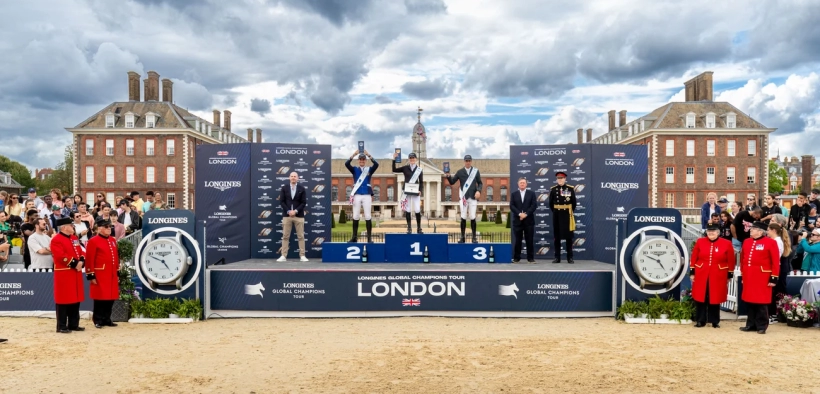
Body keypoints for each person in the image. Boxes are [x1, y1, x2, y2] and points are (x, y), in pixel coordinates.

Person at [690, 223, 735, 328]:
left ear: (718, 233)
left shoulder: (726, 243)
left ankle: (714, 320)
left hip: (718, 274)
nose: (710, 233)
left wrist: (729, 274)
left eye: (713, 231)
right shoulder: (700, 241)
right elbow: (694, 257)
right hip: (701, 273)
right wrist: (692, 272)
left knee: (715, 297)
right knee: (700, 297)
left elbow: (731, 260)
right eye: (709, 231)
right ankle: (700, 320)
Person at [739, 221, 780, 334]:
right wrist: (743, 274)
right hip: (749, 275)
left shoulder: (770, 243)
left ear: (760, 231)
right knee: (750, 301)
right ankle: (750, 324)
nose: (751, 230)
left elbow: (775, 262)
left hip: (763, 276)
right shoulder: (746, 242)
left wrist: (773, 277)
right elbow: (743, 259)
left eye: (753, 229)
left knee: (761, 302)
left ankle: (762, 325)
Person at [50, 217, 85, 333]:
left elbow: (80, 251)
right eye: (71, 225)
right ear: (64, 227)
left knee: (75, 298)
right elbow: (60, 256)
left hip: (75, 272)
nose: (73, 227)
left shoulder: (74, 238)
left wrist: (81, 261)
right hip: (64, 272)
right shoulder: (56, 240)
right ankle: (61, 326)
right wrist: (75, 263)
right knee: (63, 300)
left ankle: (73, 324)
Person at [85, 217, 120, 329]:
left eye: (110, 226)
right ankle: (98, 320)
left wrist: (117, 271)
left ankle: (107, 319)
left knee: (111, 297)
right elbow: (89, 259)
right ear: (99, 228)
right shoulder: (93, 241)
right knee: (100, 298)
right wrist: (91, 274)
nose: (109, 228)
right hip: (100, 273)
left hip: (111, 273)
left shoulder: (112, 240)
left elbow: (116, 257)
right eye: (106, 227)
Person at [446, 155, 483, 243]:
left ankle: (474, 237)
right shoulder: (460, 172)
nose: (468, 162)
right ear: (464, 161)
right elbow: (452, 182)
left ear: (471, 161)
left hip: (473, 197)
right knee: (463, 217)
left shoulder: (476, 171)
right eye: (466, 160)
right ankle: (462, 237)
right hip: (464, 198)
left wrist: (478, 191)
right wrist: (448, 176)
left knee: (472, 217)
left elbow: (480, 183)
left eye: (469, 160)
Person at [344, 150, 379, 243]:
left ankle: (369, 238)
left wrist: (369, 155)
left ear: (366, 161)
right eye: (360, 160)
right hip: (357, 195)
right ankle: (354, 238)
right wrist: (354, 154)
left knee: (368, 216)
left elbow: (376, 164)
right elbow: (346, 164)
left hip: (367, 194)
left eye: (363, 160)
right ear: (358, 160)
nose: (362, 161)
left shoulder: (369, 169)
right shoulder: (355, 169)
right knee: (355, 216)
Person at [277, 172, 308, 262]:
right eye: (292, 176)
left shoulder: (302, 188)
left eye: (295, 176)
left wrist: (295, 211)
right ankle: (283, 255)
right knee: (285, 236)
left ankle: (302, 255)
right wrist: (288, 211)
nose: (293, 178)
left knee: (301, 236)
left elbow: (303, 202)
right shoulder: (284, 188)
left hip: (299, 216)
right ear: (289, 178)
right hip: (287, 216)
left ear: (298, 178)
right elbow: (282, 202)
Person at [549, 171, 577, 264]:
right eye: (558, 178)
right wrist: (557, 211)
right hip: (557, 215)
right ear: (556, 179)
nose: (560, 180)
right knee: (557, 238)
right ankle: (557, 258)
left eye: (561, 178)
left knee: (568, 238)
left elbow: (574, 203)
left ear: (565, 179)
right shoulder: (553, 189)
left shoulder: (569, 188)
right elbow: (550, 204)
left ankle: (570, 257)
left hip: (567, 215)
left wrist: (567, 211)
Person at [393, 152, 424, 234]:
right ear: (409, 159)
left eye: (413, 158)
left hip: (415, 191)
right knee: (408, 209)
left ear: (416, 159)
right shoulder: (405, 168)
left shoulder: (419, 170)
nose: (412, 159)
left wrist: (420, 190)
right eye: (410, 158)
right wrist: (394, 159)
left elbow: (421, 182)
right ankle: (409, 228)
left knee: (417, 209)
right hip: (406, 191)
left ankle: (419, 228)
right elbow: (394, 170)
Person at [767, 222, 792, 321]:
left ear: (773, 230)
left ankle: (773, 314)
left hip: (775, 268)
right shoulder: (776, 240)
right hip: (775, 267)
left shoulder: (777, 241)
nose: (767, 232)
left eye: (768, 230)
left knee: (774, 292)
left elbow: (775, 257)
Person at [510, 177, 536, 263]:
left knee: (529, 240)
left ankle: (530, 258)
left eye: (523, 183)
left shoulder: (531, 194)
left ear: (526, 184)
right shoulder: (514, 194)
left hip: (529, 221)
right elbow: (512, 206)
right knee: (518, 240)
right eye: (520, 183)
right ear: (518, 184)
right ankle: (516, 258)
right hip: (517, 221)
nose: (522, 184)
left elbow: (533, 205)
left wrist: (525, 214)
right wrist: (519, 214)